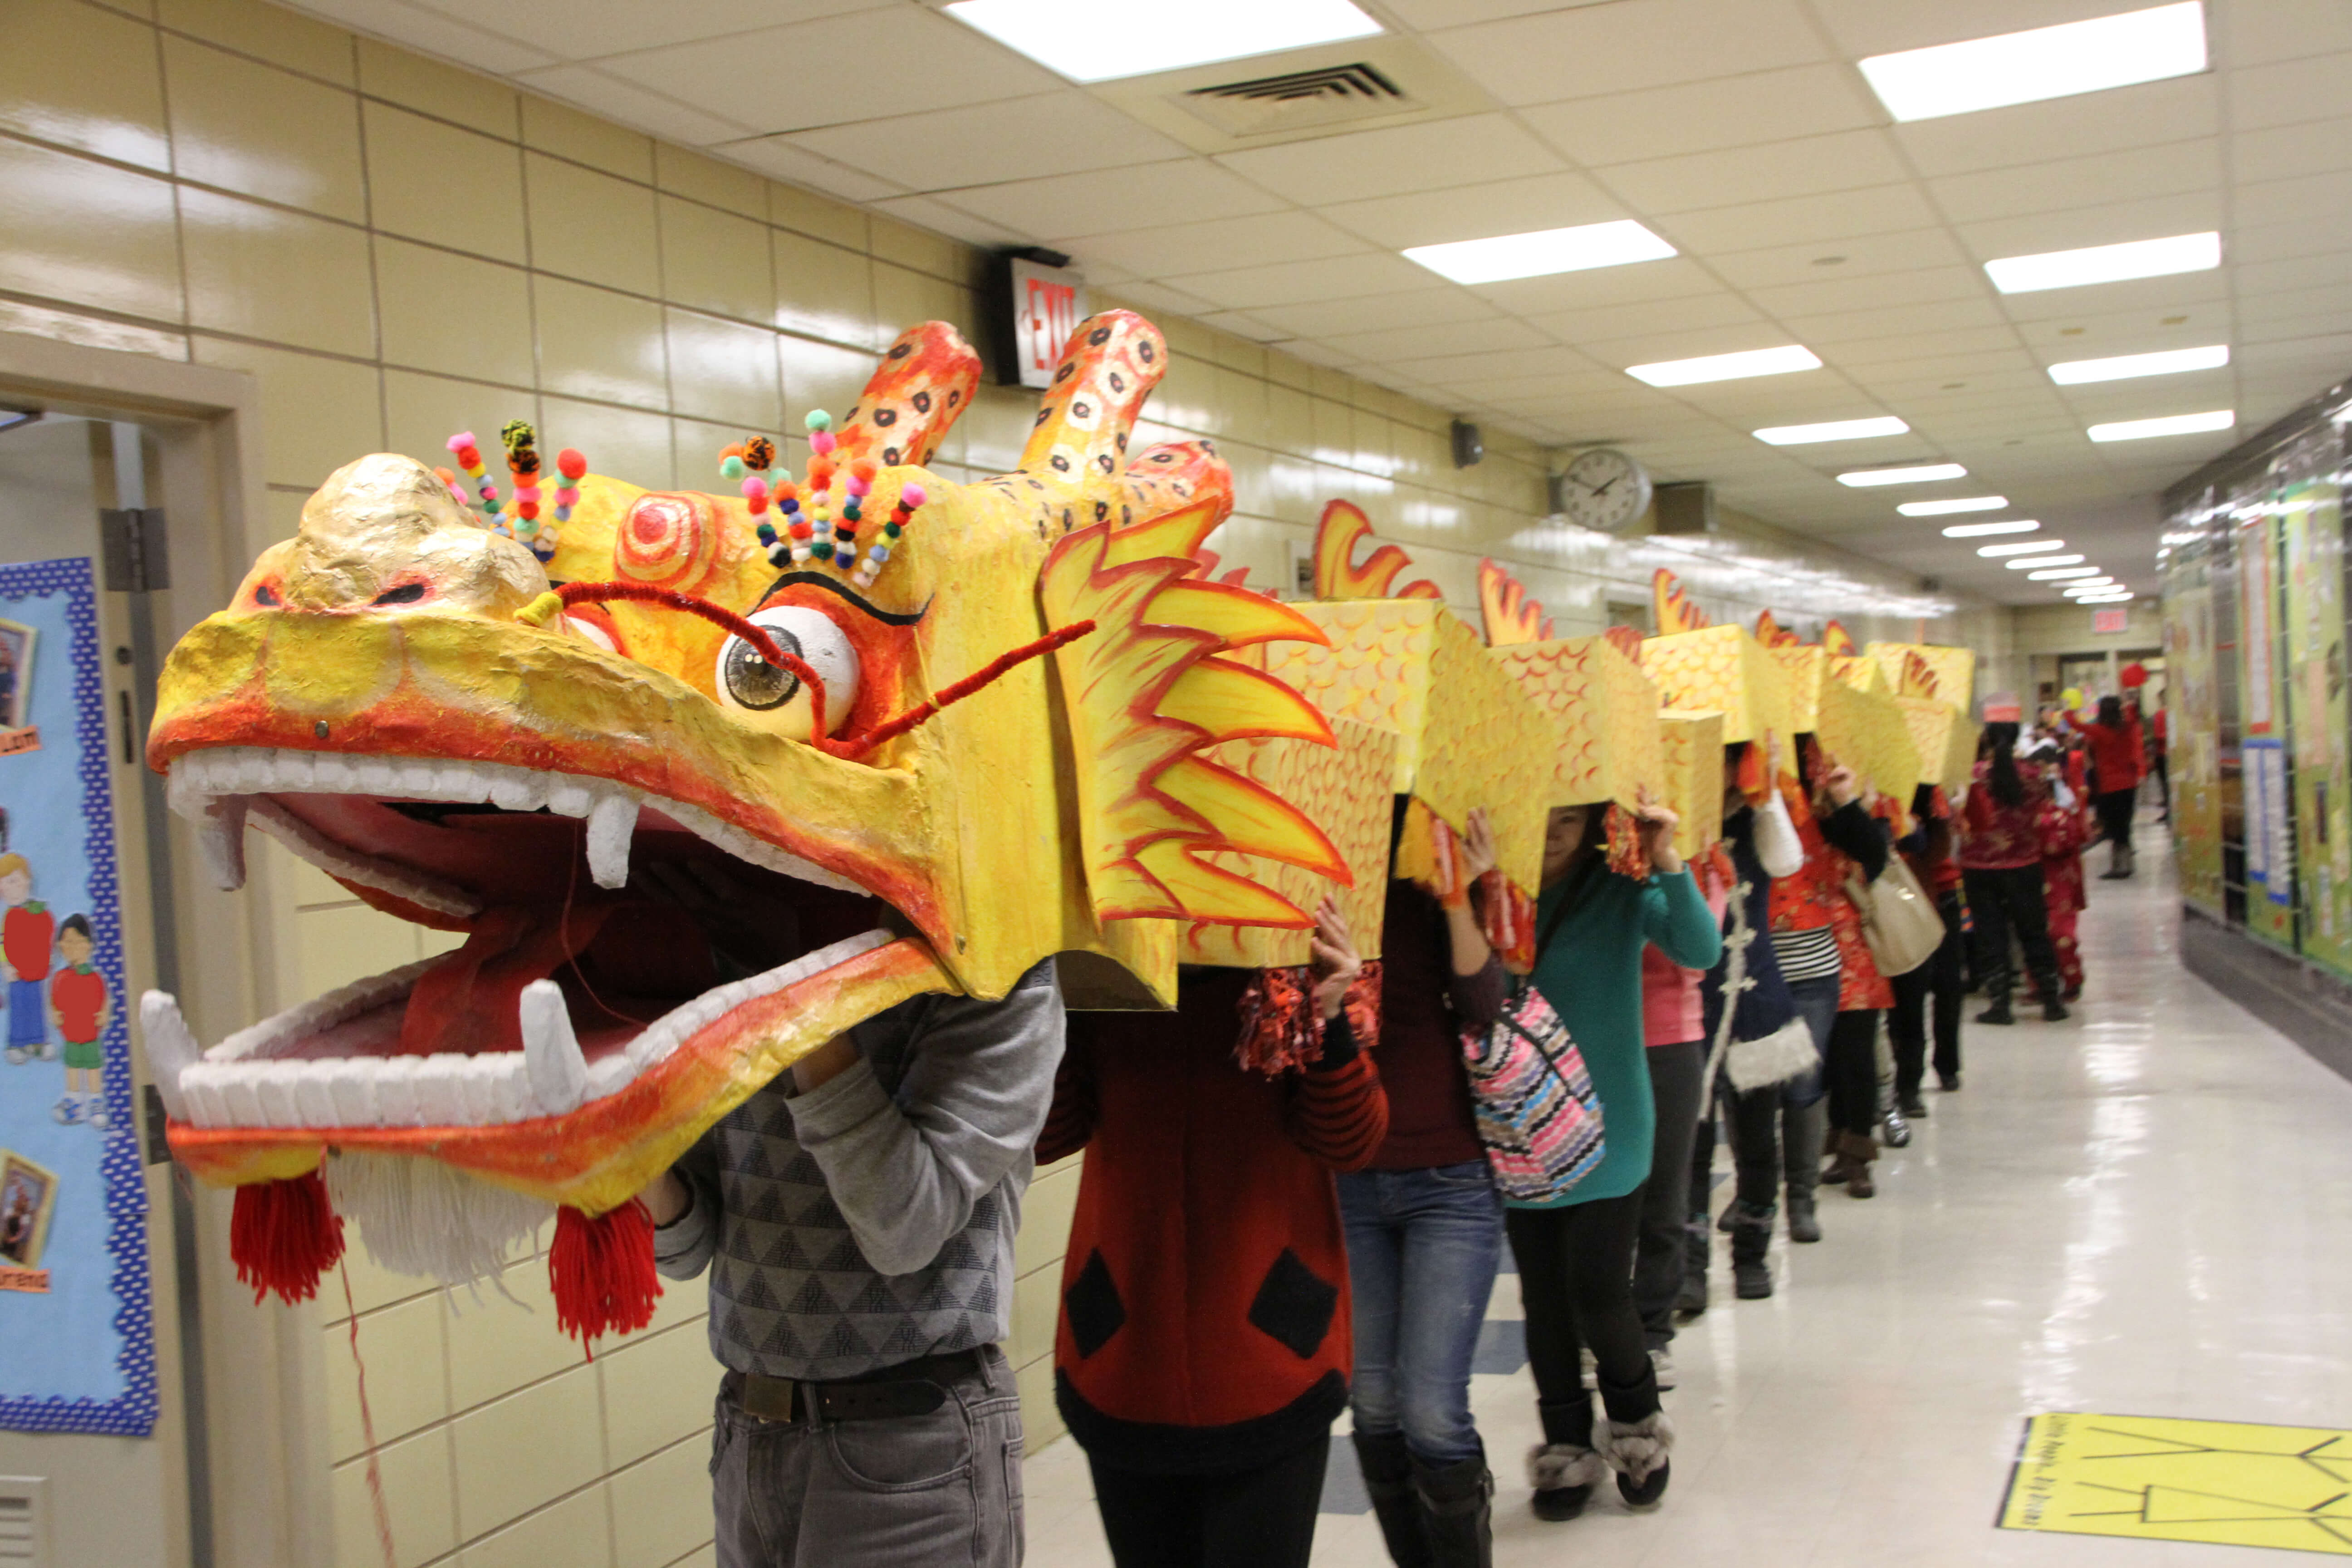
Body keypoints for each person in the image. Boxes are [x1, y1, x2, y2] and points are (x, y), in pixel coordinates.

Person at [645, 918, 1064, 1568]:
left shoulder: (1003, 970)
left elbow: (903, 1229)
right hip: (751, 1431)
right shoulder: (728, 953)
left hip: (911, 1448)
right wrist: (616, 1158)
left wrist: (799, 998)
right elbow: (687, 1248)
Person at [1043, 900, 1387, 1568]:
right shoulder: (1096, 958)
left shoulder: (1302, 957)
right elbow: (1047, 1134)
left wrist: (1331, 1015)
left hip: (1272, 1350)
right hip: (1125, 1347)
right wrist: (1035, 999)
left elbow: (1351, 1143)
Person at [1513, 797, 1719, 1520]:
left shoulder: (1622, 885)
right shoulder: (1492, 889)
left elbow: (1700, 949)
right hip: (1518, 1122)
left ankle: (1636, 1435)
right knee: (1544, 1300)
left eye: (1567, 821)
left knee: (1599, 1292)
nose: (1551, 836)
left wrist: (1666, 859)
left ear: (1594, 821)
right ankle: (1566, 1449)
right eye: (1540, 818)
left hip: (1609, 1120)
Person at [1338, 808, 1509, 1568]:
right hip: (1345, 1178)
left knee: (1432, 1409)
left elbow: (1485, 1004)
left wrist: (1456, 894)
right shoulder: (1303, 878)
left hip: (1449, 1177)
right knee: (1372, 1403)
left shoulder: (1426, 860)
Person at [1690, 741, 1805, 1306]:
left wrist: (1768, 790)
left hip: (1759, 1001)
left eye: (1727, 759)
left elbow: (1787, 862)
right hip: (1690, 1008)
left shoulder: (1760, 815)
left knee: (1758, 1141)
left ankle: (1752, 1256)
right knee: (1690, 1145)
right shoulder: (1677, 821)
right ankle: (1689, 1269)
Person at [1634, 851, 1728, 1387]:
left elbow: (1697, 953)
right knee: (1594, 1201)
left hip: (1670, 1041)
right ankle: (1590, 1326)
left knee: (1664, 1195)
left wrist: (1665, 869)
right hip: (1588, 1040)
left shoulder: (1701, 864)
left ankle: (1653, 1330)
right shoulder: (1590, 867)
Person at [1797, 743, 1893, 1201]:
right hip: (1800, 942)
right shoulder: (1784, 806)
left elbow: (1875, 854)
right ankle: (1837, 1147)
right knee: (1828, 1057)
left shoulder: (1852, 801)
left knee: (1856, 1054)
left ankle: (1858, 1155)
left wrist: (1845, 800)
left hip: (1850, 944)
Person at [1958, 723, 2068, 1027]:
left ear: (1987, 739)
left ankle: (2000, 1005)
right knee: (2034, 932)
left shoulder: (1973, 776)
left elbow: (1959, 817)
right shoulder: (2034, 775)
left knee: (1990, 935)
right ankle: (2051, 1001)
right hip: (2025, 865)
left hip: (1979, 867)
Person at [1887, 785, 1965, 1114]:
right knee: (1906, 998)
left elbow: (1938, 849)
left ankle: (1945, 1067)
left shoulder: (1932, 792)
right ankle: (1907, 1083)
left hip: (1938, 898)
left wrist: (1927, 821)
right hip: (1890, 904)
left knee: (1948, 987)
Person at [2025, 742, 2088, 1004]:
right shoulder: (2029, 808)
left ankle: (2072, 979)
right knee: (2033, 931)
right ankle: (2040, 984)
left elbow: (2073, 839)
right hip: (2032, 875)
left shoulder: (2065, 805)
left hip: (2060, 876)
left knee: (2061, 932)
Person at [2068, 696, 2145, 879]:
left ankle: (2120, 867)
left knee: (2114, 826)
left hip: (2110, 786)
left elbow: (2075, 724)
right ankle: (2127, 863)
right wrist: (2128, 704)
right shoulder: (2127, 727)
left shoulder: (2099, 731)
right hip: (2129, 783)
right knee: (2125, 823)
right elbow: (2134, 712)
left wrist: (2069, 709)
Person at [49, 915, 108, 1128]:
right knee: (72, 1066)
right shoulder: (60, 978)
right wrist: (55, 1014)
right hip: (71, 1034)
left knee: (93, 1068)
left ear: (88, 945)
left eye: (75, 941)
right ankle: (74, 1102)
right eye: (65, 942)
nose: (69, 947)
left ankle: (96, 1102)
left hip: (90, 1034)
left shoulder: (95, 978)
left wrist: (104, 1014)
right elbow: (54, 1000)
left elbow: (103, 1000)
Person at [0, 855, 54, 1066]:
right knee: (19, 1006)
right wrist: (6, 966)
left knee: (36, 1004)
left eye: (13, 881)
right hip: (16, 973)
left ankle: (38, 1041)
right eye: (4, 884)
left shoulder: (41, 914)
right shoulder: (8, 918)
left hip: (36, 971)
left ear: (27, 881)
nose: (9, 889)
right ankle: (17, 1043)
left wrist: (48, 960)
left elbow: (46, 939)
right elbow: (3, 944)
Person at [2149, 702, 2171, 822]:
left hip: (2163, 754)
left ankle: (2169, 811)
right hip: (2171, 755)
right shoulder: (2168, 713)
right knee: (2168, 785)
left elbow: (2158, 736)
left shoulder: (2160, 714)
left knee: (2166, 785)